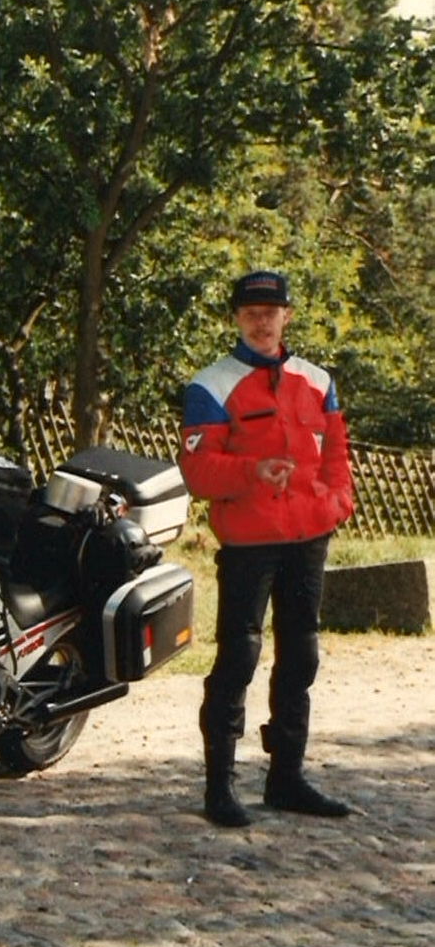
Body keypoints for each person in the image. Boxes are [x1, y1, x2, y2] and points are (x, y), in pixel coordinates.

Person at [178, 269, 356, 828]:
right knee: (239, 658)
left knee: (301, 656)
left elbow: (337, 455)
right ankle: (220, 787)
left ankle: (287, 778)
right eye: (251, 313)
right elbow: (198, 472)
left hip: (308, 538)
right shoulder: (210, 385)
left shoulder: (318, 381)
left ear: (287, 316)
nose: (261, 322)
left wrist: (336, 504)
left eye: (270, 312)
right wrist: (252, 470)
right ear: (236, 317)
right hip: (249, 542)